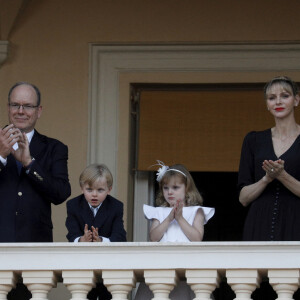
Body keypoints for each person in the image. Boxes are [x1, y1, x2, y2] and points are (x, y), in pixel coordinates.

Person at [0, 82, 71, 299]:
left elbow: (60, 193)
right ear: (8, 107)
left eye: (28, 106)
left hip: (34, 249)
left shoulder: (54, 148)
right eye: (15, 105)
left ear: (38, 111)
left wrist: (30, 164)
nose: (21, 111)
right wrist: (1, 156)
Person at [134, 162, 215, 300]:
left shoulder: (196, 211)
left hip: (187, 266)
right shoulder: (159, 212)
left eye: (175, 187)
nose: (170, 192)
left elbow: (196, 238)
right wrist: (168, 219)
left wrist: (180, 218)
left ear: (187, 188)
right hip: (161, 266)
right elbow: (154, 237)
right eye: (166, 188)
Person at [238, 76, 300, 241]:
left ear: (296, 100)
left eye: (285, 96)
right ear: (267, 104)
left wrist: (282, 176)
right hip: (259, 223)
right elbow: (243, 198)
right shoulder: (253, 140)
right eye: (272, 98)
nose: (278, 102)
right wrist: (266, 179)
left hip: (296, 222)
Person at [65, 163, 127, 300]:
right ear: (82, 188)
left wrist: (102, 241)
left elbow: (120, 236)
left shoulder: (116, 206)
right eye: (89, 189)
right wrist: (82, 239)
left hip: (109, 265)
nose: (94, 194)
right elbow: (71, 234)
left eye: (100, 190)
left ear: (109, 190)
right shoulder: (73, 205)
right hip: (83, 265)